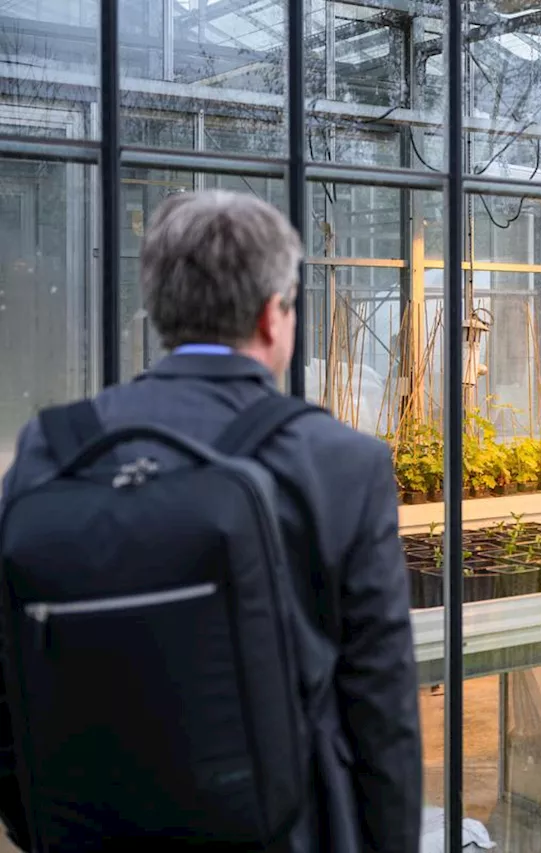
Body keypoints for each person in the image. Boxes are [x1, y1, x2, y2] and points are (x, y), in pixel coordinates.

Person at [0, 190, 422, 852]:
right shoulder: (342, 463)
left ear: (162, 310)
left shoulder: (51, 450)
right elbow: (382, 712)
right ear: (270, 316)